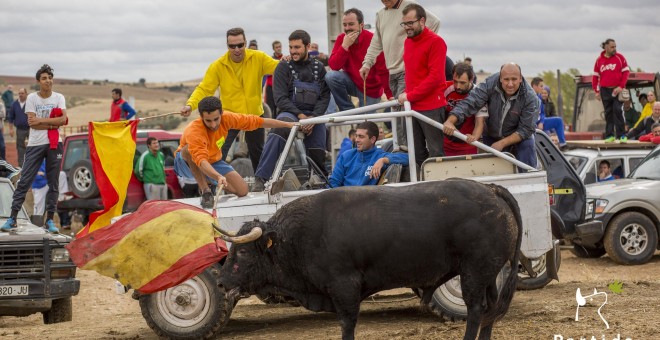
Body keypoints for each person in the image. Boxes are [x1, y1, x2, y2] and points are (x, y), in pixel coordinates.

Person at [181, 27, 280, 174]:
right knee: (218, 151)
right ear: (227, 46)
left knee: (258, 152)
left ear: (245, 43)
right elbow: (204, 89)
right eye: (232, 46)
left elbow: (279, 68)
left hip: (253, 115)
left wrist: (288, 60)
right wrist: (190, 105)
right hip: (228, 117)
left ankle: (262, 184)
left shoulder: (258, 58)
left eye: (240, 45)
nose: (237, 49)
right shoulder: (218, 66)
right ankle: (213, 186)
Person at [175, 96, 297, 208]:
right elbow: (201, 160)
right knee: (189, 150)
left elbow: (259, 122)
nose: (213, 125)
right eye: (208, 121)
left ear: (222, 113)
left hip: (213, 161)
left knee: (242, 190)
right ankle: (206, 191)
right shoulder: (194, 130)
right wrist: (217, 176)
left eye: (216, 119)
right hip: (187, 164)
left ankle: (210, 178)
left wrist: (288, 124)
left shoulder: (228, 118)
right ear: (201, 117)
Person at [253, 30, 331, 190]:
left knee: (319, 138)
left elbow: (324, 97)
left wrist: (314, 118)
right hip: (290, 113)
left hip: (313, 116)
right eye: (291, 47)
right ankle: (261, 179)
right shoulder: (283, 67)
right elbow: (280, 99)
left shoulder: (319, 68)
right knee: (279, 128)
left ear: (308, 46)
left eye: (297, 47)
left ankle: (319, 180)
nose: (293, 51)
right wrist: (301, 116)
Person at [360, 0, 440, 151]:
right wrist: (367, 63)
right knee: (398, 111)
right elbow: (377, 41)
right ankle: (402, 148)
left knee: (403, 112)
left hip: (406, 69)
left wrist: (418, 47)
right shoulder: (381, 14)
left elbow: (435, 22)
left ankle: (405, 150)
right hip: (392, 72)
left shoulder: (410, 6)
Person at [2, 64, 67, 233]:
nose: (48, 81)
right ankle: (13, 218)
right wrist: (53, 123)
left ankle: (50, 220)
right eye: (44, 78)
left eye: (50, 78)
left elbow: (63, 120)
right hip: (35, 144)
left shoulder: (59, 97)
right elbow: (33, 123)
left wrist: (43, 121)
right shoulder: (32, 98)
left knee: (53, 183)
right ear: (39, 81)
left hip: (54, 143)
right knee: (24, 181)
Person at [444, 63, 539, 169]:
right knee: (491, 170)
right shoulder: (489, 84)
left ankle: (529, 179)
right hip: (491, 135)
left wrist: (502, 143)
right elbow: (471, 101)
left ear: (520, 78)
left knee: (527, 147)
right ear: (500, 78)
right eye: (506, 79)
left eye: (514, 79)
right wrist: (450, 120)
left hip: (519, 137)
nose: (510, 84)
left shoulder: (530, 98)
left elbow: (526, 129)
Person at [397, 3, 447, 166]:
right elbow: (411, 74)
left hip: (431, 107)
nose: (407, 27)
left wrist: (409, 96)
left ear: (422, 21)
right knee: (416, 153)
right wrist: (406, 94)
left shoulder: (436, 42)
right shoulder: (407, 42)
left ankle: (441, 190)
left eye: (410, 23)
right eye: (404, 23)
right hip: (412, 106)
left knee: (436, 154)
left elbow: (436, 78)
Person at [326, 8, 391, 112]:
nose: (347, 28)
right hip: (352, 82)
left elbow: (383, 69)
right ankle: (348, 110)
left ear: (361, 25)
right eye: (345, 25)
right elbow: (334, 66)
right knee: (330, 76)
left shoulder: (373, 40)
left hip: (370, 89)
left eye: (351, 24)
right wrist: (345, 46)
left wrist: (389, 93)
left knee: (364, 124)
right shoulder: (341, 39)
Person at [329, 121, 408, 187]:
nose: (356, 140)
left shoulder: (380, 156)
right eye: (356, 136)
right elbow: (333, 183)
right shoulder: (346, 156)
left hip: (368, 202)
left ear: (373, 139)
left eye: (361, 136)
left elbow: (408, 158)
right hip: (343, 200)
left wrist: (383, 160)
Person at [442, 62, 486, 156]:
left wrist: (474, 137)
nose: (458, 86)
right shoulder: (446, 88)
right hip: (446, 144)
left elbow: (480, 122)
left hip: (467, 145)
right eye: (455, 81)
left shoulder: (479, 94)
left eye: (462, 83)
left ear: (471, 79)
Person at [592, 38, 629, 143]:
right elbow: (595, 77)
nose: (614, 49)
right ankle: (609, 136)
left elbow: (626, 73)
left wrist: (621, 86)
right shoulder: (599, 60)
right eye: (612, 47)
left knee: (618, 110)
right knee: (608, 113)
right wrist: (597, 91)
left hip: (617, 89)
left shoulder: (620, 58)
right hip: (604, 90)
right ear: (606, 47)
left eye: (615, 46)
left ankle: (622, 135)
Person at [7, 88, 29, 166]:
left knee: (33, 147)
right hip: (20, 130)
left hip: (31, 129)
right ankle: (21, 166)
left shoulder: (30, 103)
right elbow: (10, 117)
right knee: (20, 148)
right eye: (19, 93)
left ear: (26, 94)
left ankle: (33, 164)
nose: (20, 95)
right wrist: (11, 129)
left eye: (22, 93)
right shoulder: (14, 104)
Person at [264, 40, 284, 114]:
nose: (279, 48)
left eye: (280, 46)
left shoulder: (285, 59)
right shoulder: (270, 59)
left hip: (281, 87)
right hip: (271, 87)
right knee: (270, 108)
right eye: (277, 47)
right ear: (273, 49)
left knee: (280, 107)